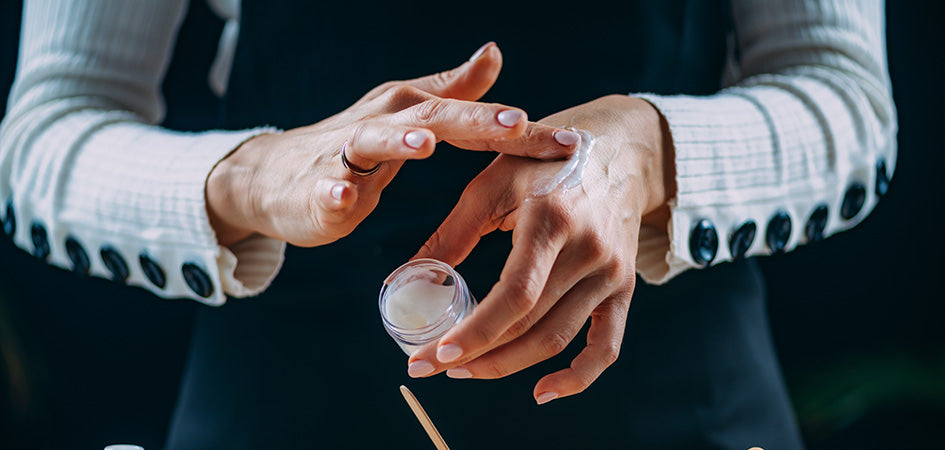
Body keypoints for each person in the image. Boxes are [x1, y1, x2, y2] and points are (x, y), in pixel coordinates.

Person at [0, 0, 896, 449]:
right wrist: (251, 174)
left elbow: (846, 98)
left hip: (678, 396)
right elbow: (45, 127)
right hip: (282, 401)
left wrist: (644, 154)